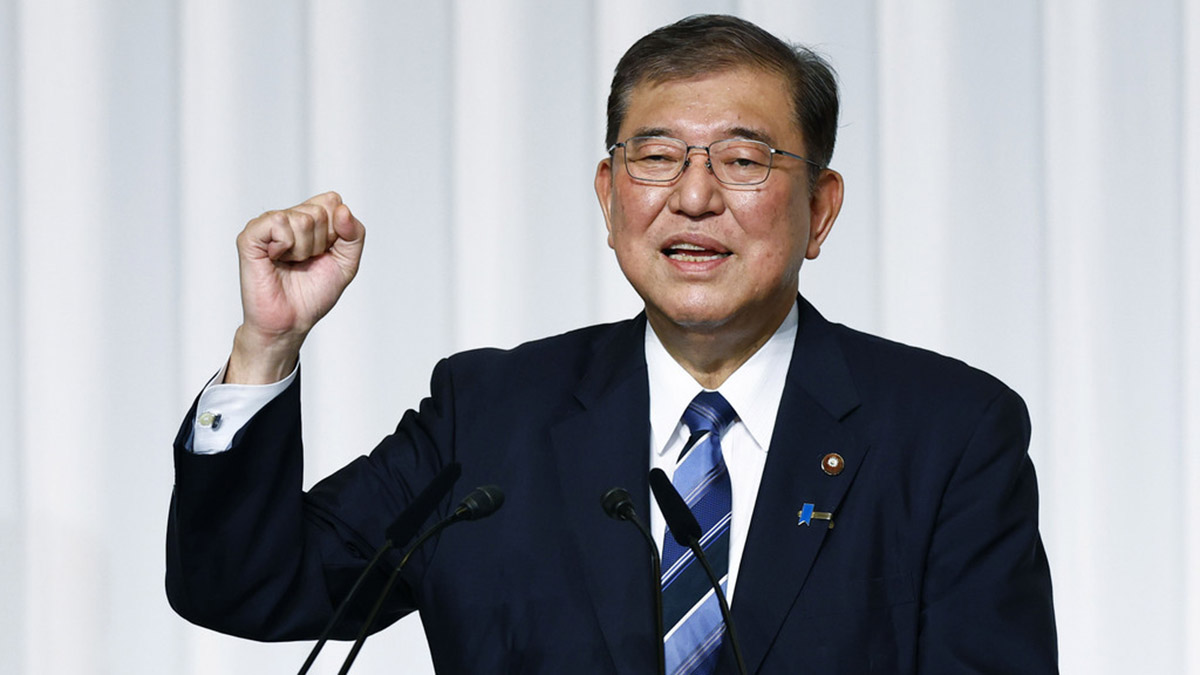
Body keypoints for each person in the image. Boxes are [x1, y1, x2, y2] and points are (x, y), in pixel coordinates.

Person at [166, 14, 1057, 674]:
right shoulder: (490, 417)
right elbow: (246, 585)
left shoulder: (949, 433)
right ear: (608, 196)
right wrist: (267, 345)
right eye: (657, 157)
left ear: (819, 208)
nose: (696, 197)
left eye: (744, 160)